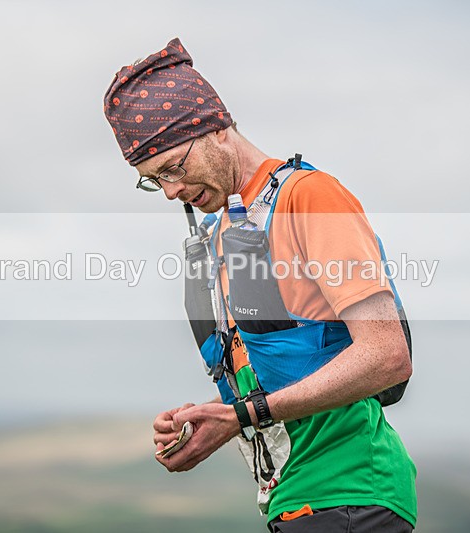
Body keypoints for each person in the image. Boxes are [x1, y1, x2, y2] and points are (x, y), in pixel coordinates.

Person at [103, 38, 417, 532]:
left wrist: (242, 416)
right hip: (294, 499)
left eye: (173, 168)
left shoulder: (309, 198)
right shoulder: (224, 231)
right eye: (153, 179)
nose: (170, 192)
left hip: (352, 494)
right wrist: (215, 418)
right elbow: (284, 373)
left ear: (216, 128)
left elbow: (387, 355)